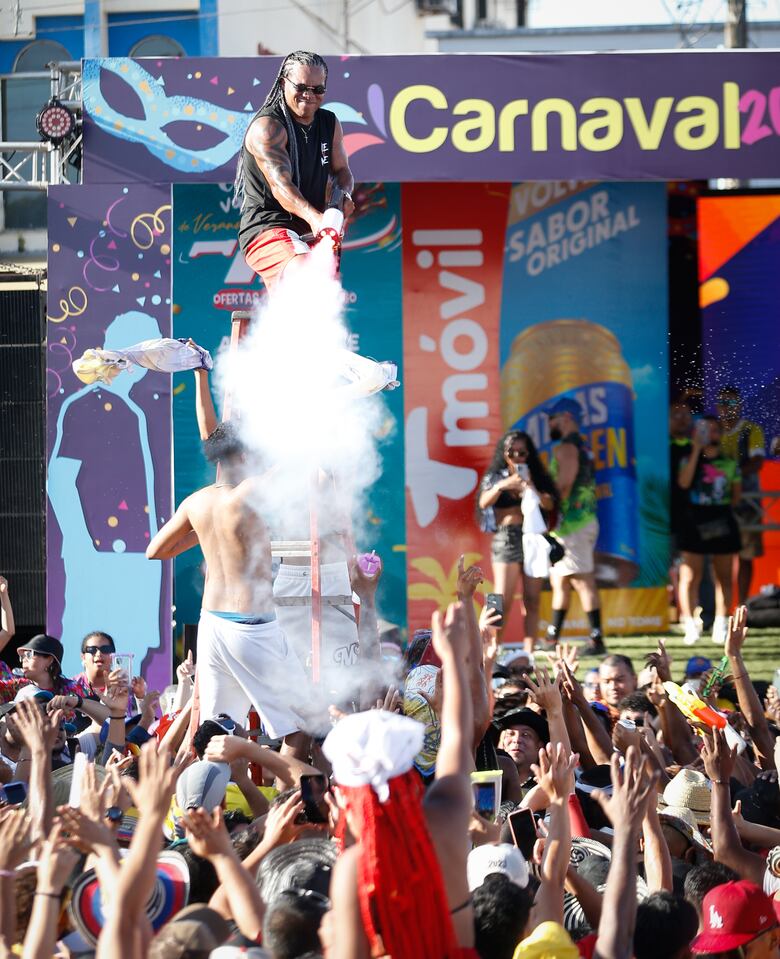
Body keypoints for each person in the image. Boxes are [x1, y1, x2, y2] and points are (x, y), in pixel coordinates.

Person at [146, 422, 310, 750]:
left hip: (212, 625)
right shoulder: (249, 491)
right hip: (252, 627)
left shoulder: (196, 503)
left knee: (218, 730)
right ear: (245, 455)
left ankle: (209, 786)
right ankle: (288, 786)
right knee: (303, 723)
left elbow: (155, 550)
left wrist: (208, 530)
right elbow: (296, 461)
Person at [234, 50, 355, 292]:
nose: (309, 95)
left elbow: (342, 171)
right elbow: (281, 187)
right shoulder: (268, 127)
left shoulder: (329, 123)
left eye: (317, 89)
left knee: (321, 293)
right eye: (301, 87)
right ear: (283, 83)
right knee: (304, 275)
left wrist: (341, 198)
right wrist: (315, 218)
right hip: (269, 226)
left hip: (311, 227)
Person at [477, 430, 558, 652]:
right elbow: (483, 503)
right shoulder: (496, 477)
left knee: (532, 598)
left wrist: (530, 486)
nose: (516, 457)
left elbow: (550, 504)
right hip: (507, 537)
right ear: (503, 453)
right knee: (500, 597)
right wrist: (503, 485)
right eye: (511, 452)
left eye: (522, 453)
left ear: (529, 454)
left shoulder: (537, 475)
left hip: (532, 537)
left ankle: (529, 650)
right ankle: (492, 647)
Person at [543, 397, 604, 656]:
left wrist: (546, 505)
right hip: (574, 525)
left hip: (573, 526)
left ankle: (597, 640)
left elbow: (564, 485)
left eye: (552, 419)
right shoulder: (582, 446)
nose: (549, 424)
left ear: (566, 418)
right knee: (561, 581)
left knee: (582, 581)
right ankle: (552, 638)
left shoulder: (567, 447)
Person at [677, 415, 742, 645]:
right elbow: (684, 483)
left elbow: (736, 496)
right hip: (694, 519)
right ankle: (690, 624)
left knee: (723, 575)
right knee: (690, 575)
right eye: (704, 430)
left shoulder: (730, 462)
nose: (710, 434)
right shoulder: (687, 459)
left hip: (721, 518)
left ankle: (721, 624)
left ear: (720, 434)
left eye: (714, 430)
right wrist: (696, 449)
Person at [716, 386, 766, 607]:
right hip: (718, 504)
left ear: (740, 406)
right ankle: (720, 610)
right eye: (723, 403)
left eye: (732, 403)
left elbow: (757, 462)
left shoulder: (751, 430)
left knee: (746, 556)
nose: (727, 408)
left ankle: (742, 607)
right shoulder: (713, 431)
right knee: (719, 556)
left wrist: (731, 475)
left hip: (747, 503)